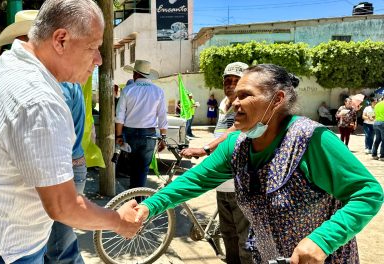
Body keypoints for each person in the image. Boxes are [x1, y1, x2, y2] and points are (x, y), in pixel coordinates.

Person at [0, 1, 141, 263]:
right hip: (4, 249)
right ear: (60, 40)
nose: (98, 59)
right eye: (92, 47)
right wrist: (118, 221)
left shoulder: (5, 66)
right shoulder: (39, 100)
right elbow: (63, 205)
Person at [134, 64, 383, 264]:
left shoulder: (312, 140)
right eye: (234, 95)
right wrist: (148, 208)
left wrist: (323, 240)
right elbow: (196, 179)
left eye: (245, 95)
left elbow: (368, 192)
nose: (235, 102)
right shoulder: (237, 144)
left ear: (277, 99)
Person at [0, 10, 89, 263]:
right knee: (57, 245)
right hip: (72, 162)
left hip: (59, 168)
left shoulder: (46, 83)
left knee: (59, 250)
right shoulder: (63, 78)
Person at [180, 62, 253, 264]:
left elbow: (235, 133)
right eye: (227, 81)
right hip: (223, 186)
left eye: (236, 81)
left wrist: (204, 149)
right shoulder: (223, 106)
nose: (230, 85)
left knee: (246, 245)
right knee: (230, 239)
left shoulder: (248, 108)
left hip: (241, 187)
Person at [115, 59, 168, 189]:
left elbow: (120, 117)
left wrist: (119, 137)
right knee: (142, 170)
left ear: (136, 74)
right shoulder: (158, 91)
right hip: (149, 134)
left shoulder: (127, 90)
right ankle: (138, 198)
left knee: (132, 169)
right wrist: (163, 138)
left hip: (130, 134)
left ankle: (134, 198)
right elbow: (162, 117)